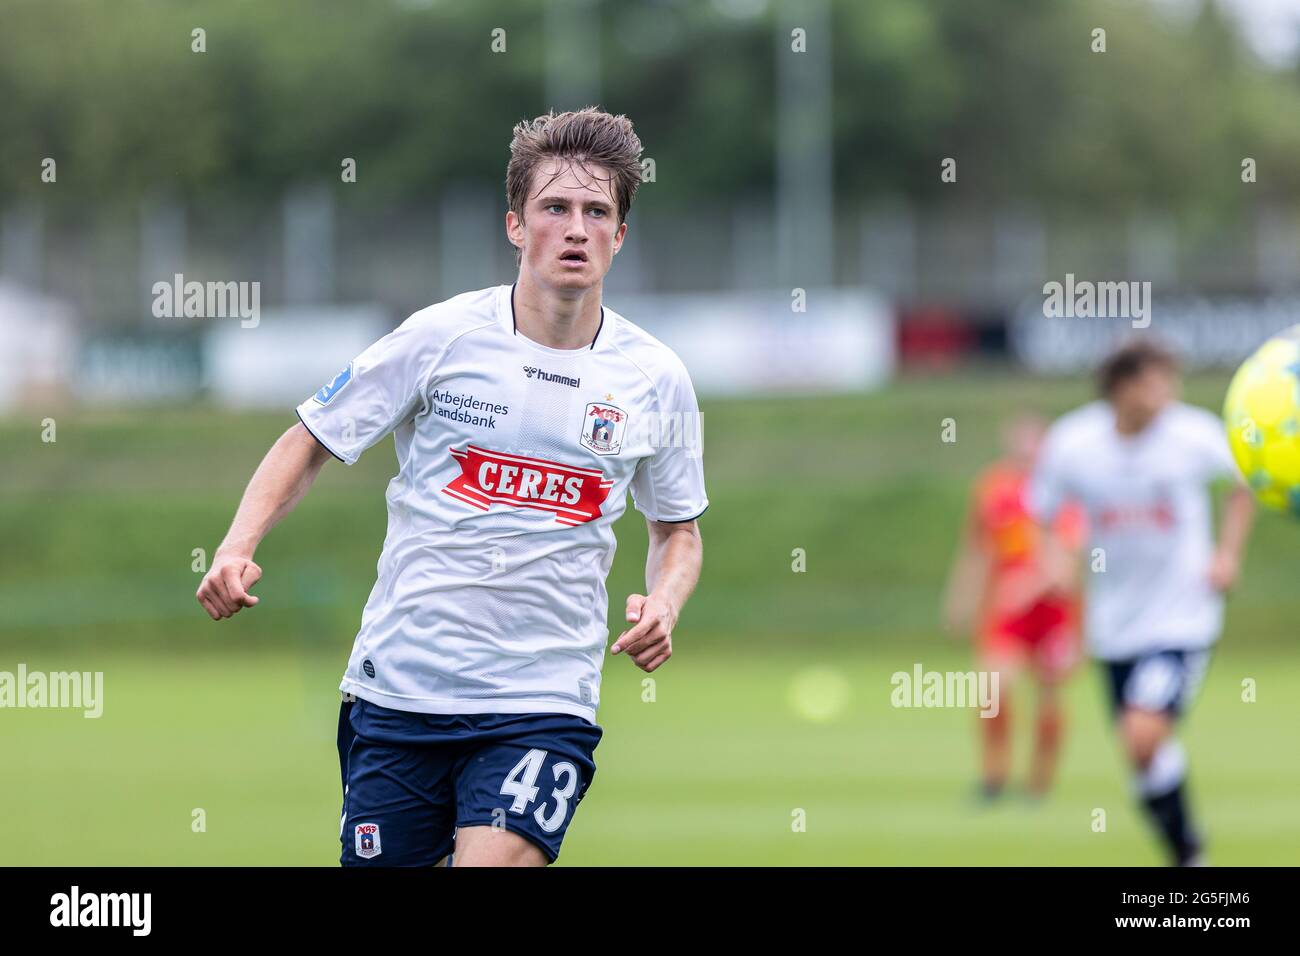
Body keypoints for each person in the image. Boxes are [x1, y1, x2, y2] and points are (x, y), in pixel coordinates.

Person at [196, 107, 708, 867]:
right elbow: (311, 438)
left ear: (620, 234)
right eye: (555, 208)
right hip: (401, 689)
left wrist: (664, 602)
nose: (576, 228)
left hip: (543, 698)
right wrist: (237, 545)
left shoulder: (655, 377)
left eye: (596, 211)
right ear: (514, 224)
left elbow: (677, 530)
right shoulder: (441, 338)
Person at [1027, 340, 1254, 865]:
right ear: (1122, 387)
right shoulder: (1074, 442)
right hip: (1113, 624)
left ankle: (1187, 854)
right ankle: (1186, 852)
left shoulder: (1191, 434)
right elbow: (1042, 507)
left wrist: (1227, 554)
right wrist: (1053, 560)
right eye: (1155, 382)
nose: (1166, 393)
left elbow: (1243, 480)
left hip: (1182, 617)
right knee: (1143, 758)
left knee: (1143, 736)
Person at [943, 414, 1086, 801]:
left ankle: (1038, 782)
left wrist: (1031, 584)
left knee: (1049, 695)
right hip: (1008, 614)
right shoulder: (994, 488)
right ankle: (993, 775)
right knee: (992, 689)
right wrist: (962, 596)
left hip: (1054, 614)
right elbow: (977, 548)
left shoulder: (1064, 494)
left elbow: (1070, 562)